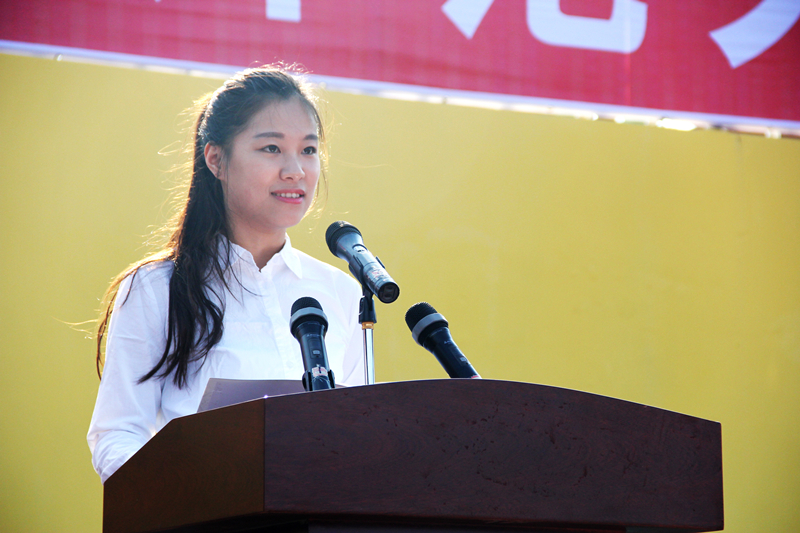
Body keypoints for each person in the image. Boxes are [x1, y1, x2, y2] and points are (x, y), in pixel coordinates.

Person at [87, 66, 365, 483]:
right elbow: (117, 434)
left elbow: (359, 435)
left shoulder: (340, 291)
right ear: (216, 159)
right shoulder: (158, 288)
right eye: (271, 148)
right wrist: (182, 498)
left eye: (308, 149)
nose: (295, 170)